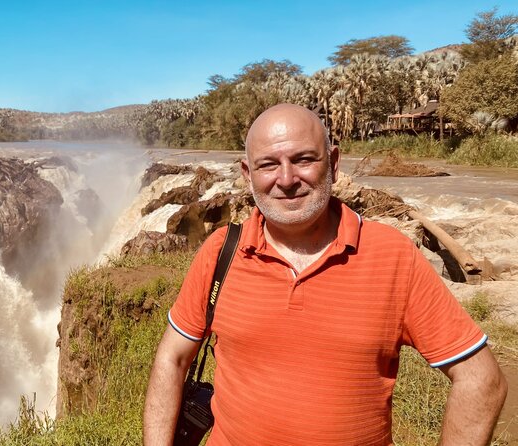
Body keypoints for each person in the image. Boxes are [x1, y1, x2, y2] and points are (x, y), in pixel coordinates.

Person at [143, 103, 507, 445]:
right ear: (246, 173)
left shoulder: (393, 256)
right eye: (268, 164)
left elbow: (481, 379)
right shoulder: (221, 251)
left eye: (303, 160)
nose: (286, 179)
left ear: (333, 161)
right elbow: (172, 358)